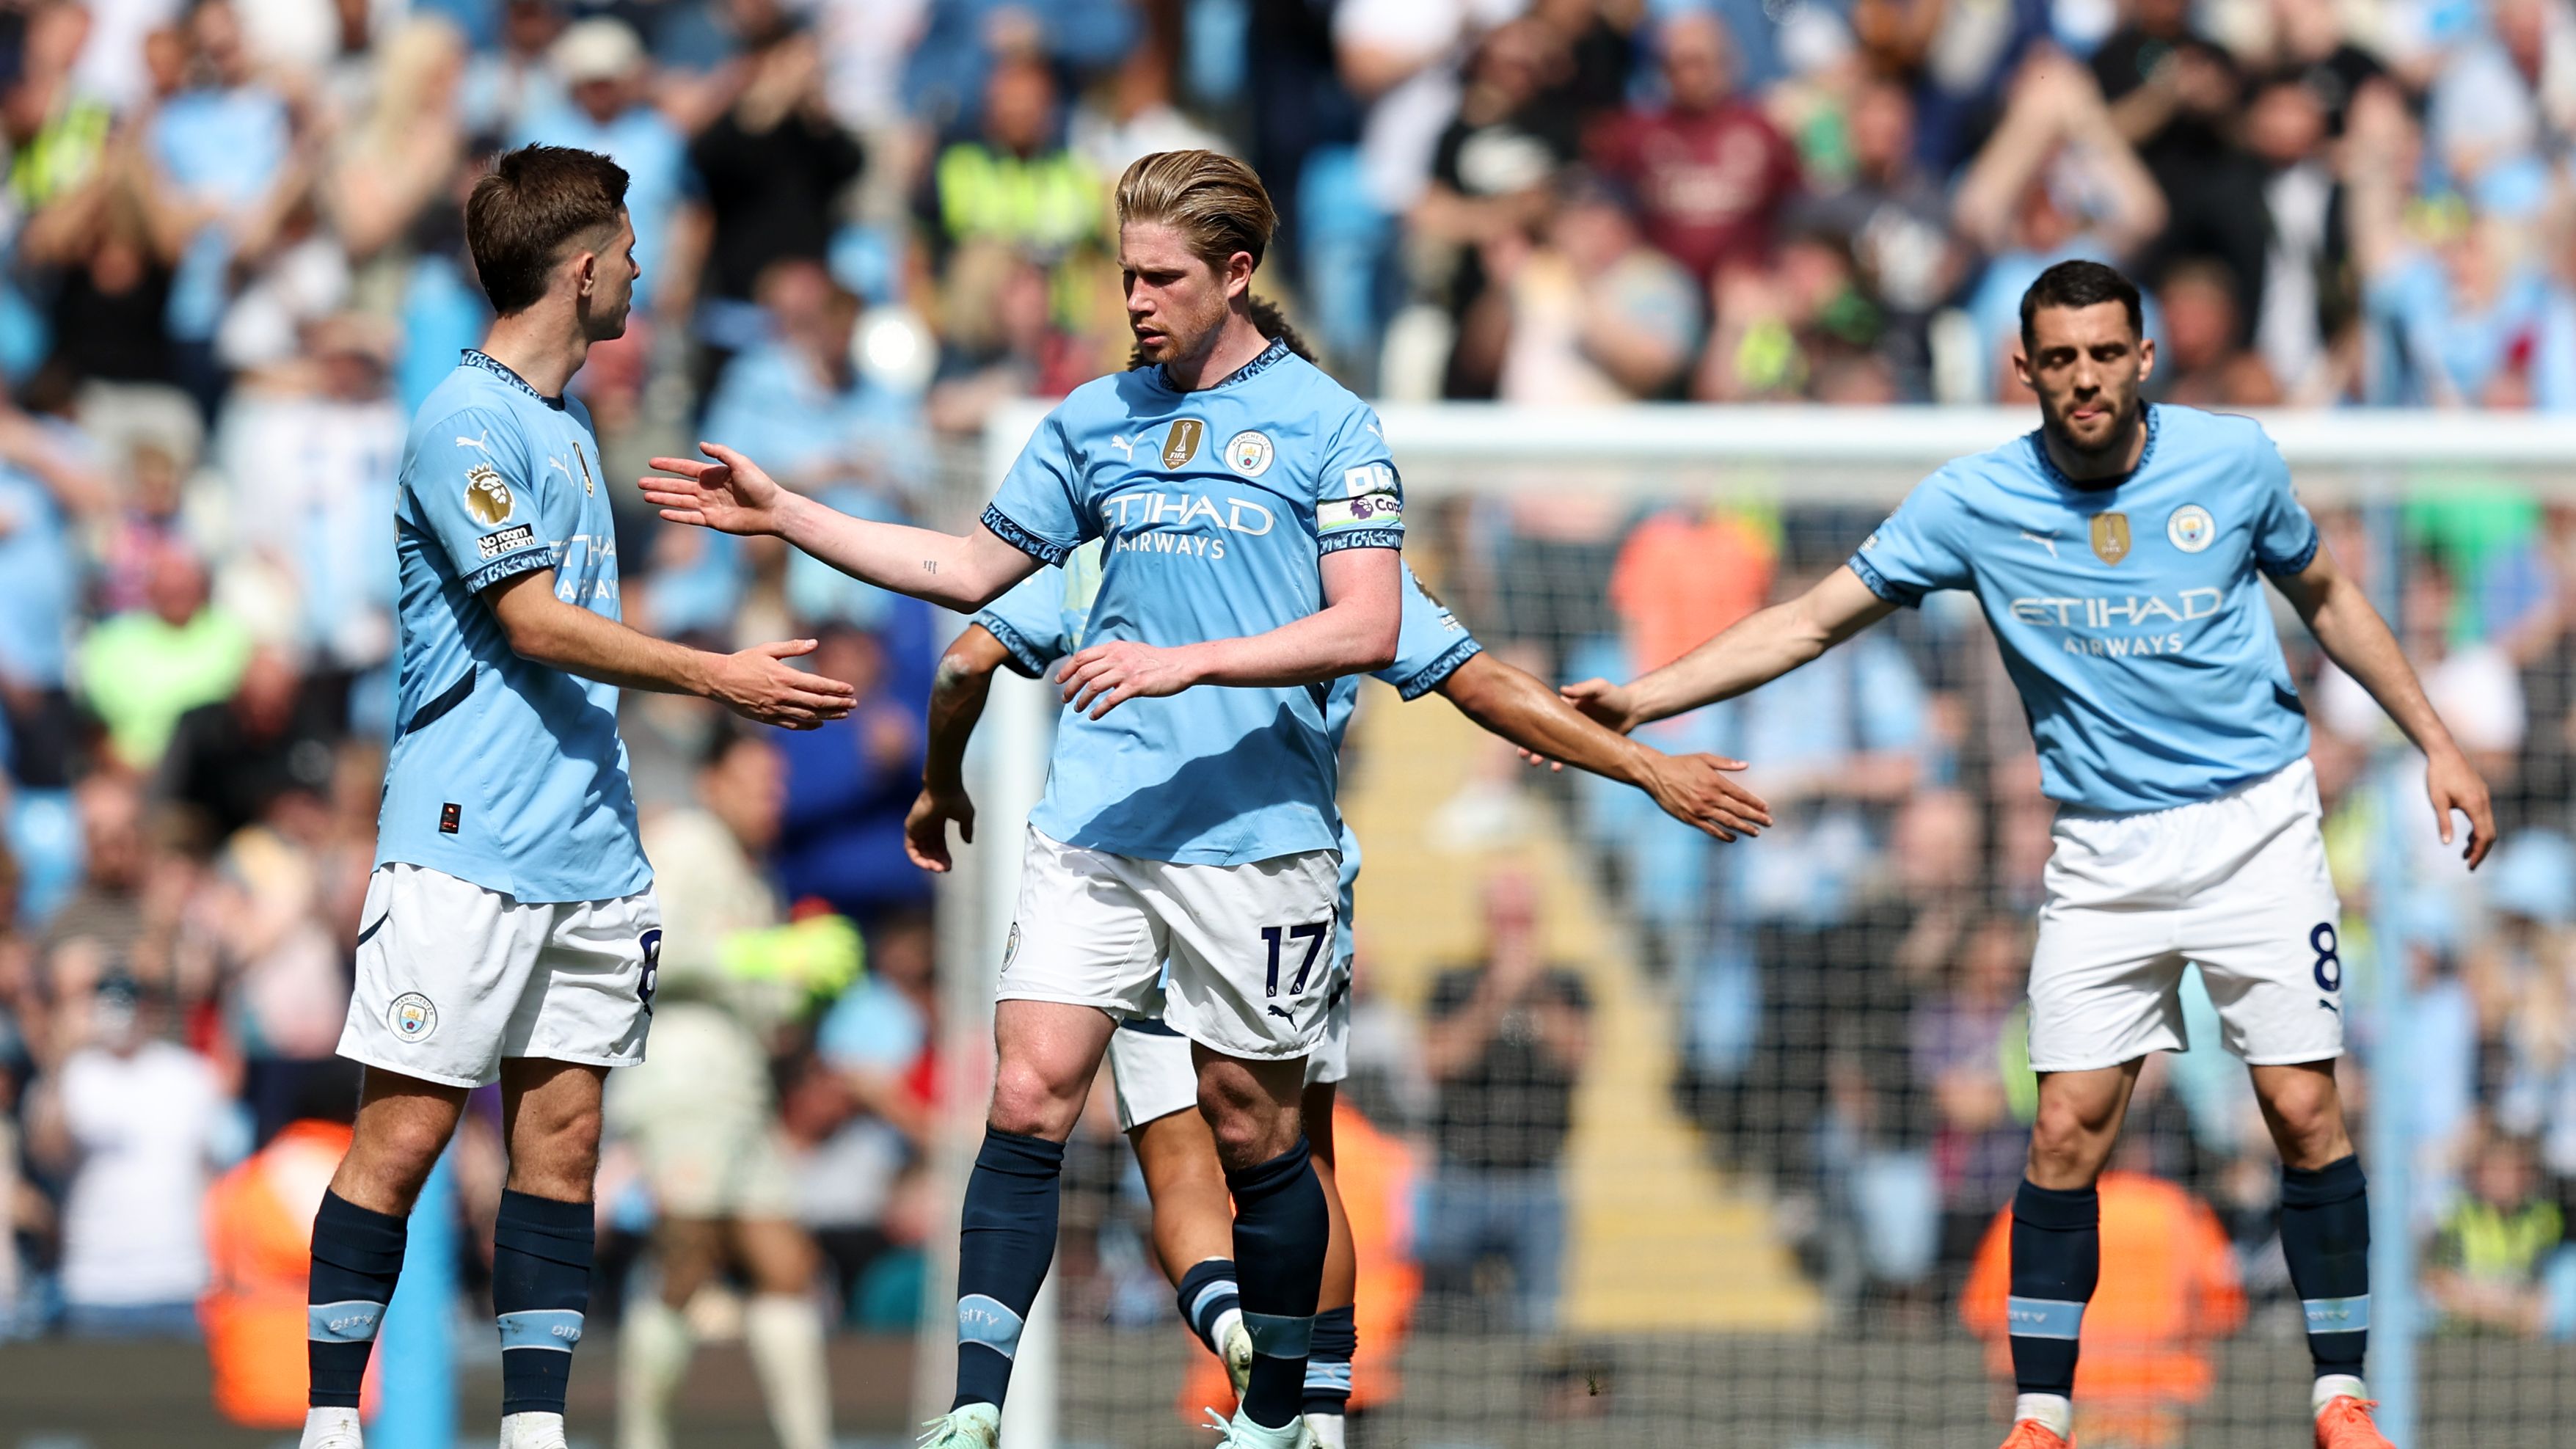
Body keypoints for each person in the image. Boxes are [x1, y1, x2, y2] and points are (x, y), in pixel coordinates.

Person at [1563, 259, 2498, 1449]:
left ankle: (2339, 1395)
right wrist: (1643, 700)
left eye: (2106, 353)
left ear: (2143, 356)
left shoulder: (2233, 460)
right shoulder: (1973, 501)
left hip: (2253, 826)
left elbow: (2328, 595)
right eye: (2060, 359)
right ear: (2027, 369)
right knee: (2064, 1128)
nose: (2086, 377)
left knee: (2302, 1106)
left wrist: (2437, 740)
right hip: (2102, 850)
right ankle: (2042, 1416)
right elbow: (1807, 619)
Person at [642, 148, 1409, 1449]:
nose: (1137, 299)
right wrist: (788, 517)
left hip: (1255, 836)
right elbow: (963, 568)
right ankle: (972, 1410)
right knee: (1028, 1090)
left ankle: (1279, 1414)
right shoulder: (1091, 420)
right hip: (1098, 821)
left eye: (1163, 276)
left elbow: (1373, 623)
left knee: (1252, 1123)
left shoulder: (1332, 429)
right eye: (1124, 275)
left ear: (1237, 273)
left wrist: (1190, 659)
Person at [904, 537, 1766, 1445]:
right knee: (1298, 1157)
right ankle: (1318, 1411)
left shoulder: (1120, 535)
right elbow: (1482, 684)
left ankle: (1210, 1332)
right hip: (1285, 885)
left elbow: (963, 666)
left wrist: (936, 782)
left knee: (1175, 1157)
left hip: (1122, 878)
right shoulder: (1343, 563)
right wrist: (1646, 767)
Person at [295, 145, 855, 1449]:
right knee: (405, 1137)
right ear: (586, 265)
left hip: (587, 845)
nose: (644, 271)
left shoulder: (565, 422)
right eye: (629, 249)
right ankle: (330, 1426)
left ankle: (536, 1430)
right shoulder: (465, 421)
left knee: (565, 1145)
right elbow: (536, 623)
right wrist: (715, 675)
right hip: (462, 842)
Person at [610, 727, 843, 1449]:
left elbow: (760, 1001)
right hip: (682, 1078)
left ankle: (809, 1439)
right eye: (754, 783)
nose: (769, 799)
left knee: (786, 1264)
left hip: (741, 1087)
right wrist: (765, 952)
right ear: (711, 783)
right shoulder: (682, 843)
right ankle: (638, 1436)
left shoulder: (754, 875)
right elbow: (646, 945)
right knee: (687, 1257)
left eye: (776, 786)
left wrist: (806, 985)